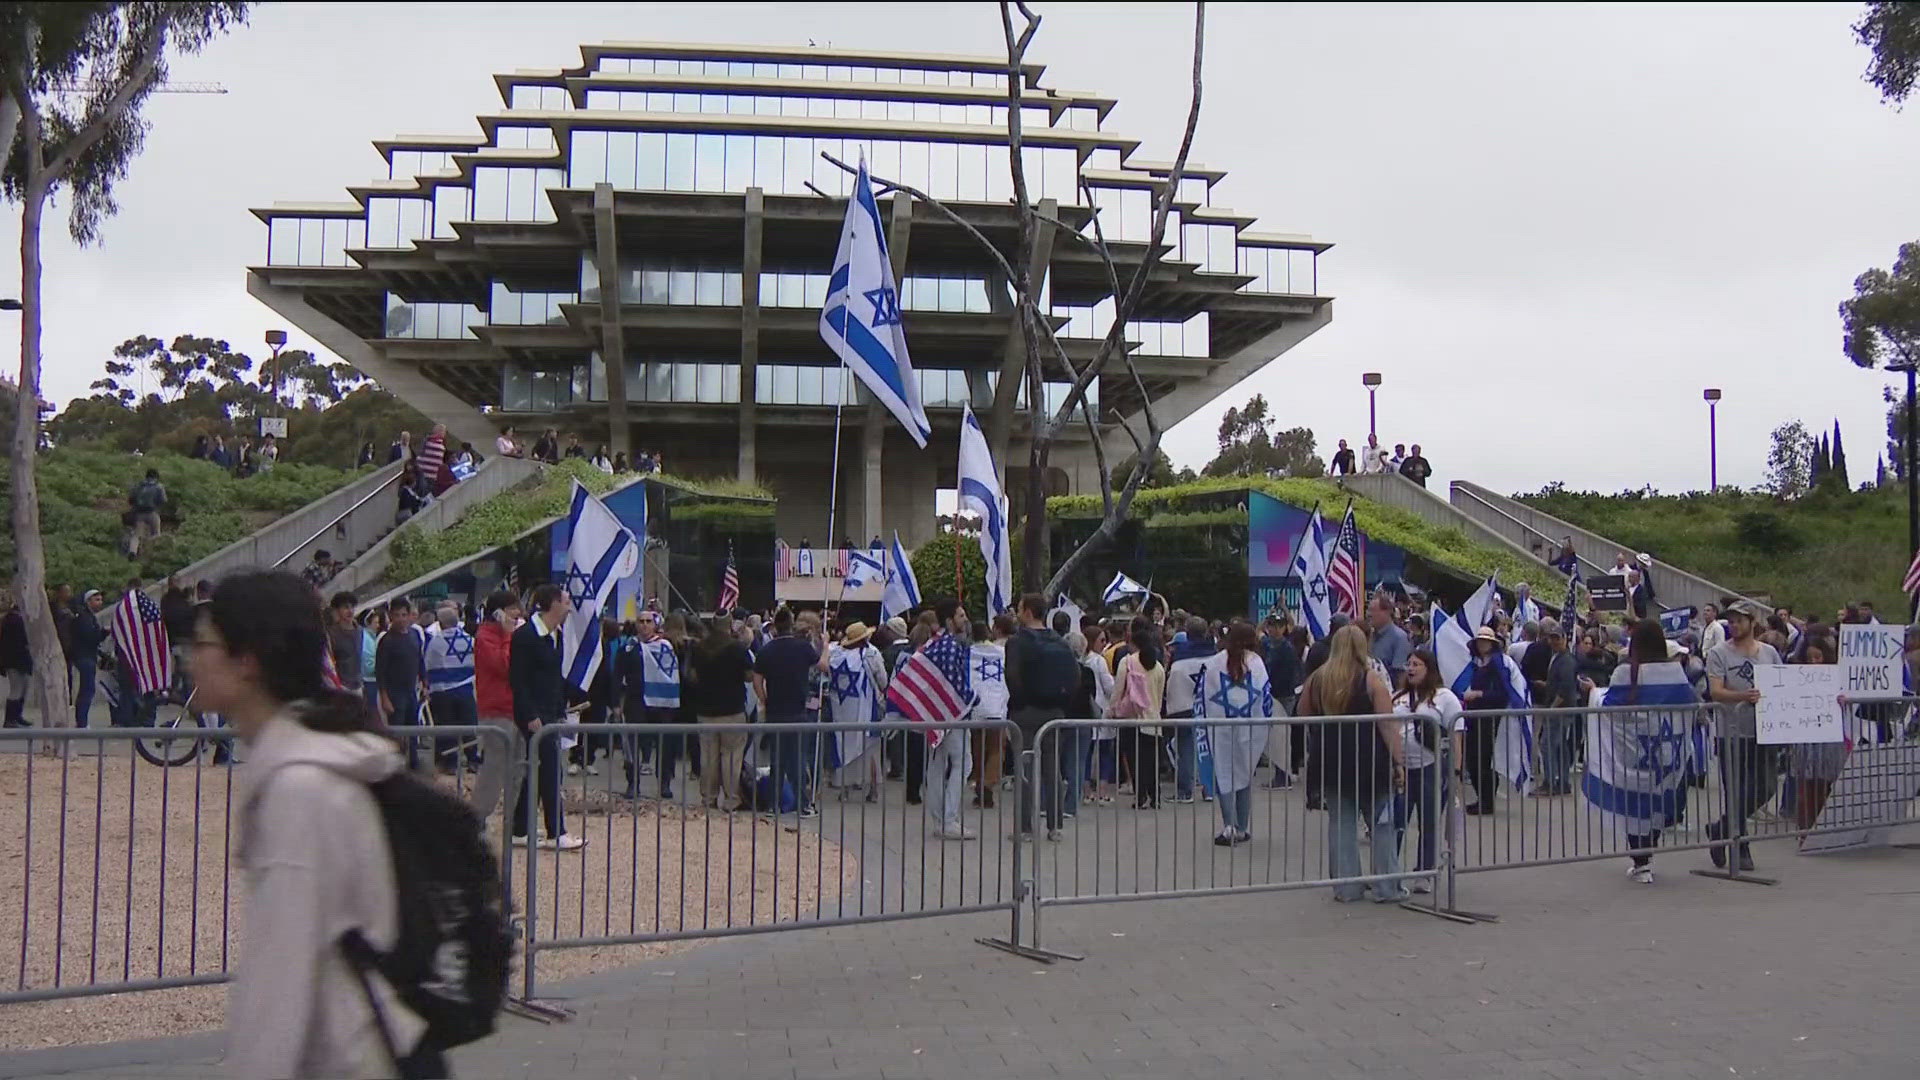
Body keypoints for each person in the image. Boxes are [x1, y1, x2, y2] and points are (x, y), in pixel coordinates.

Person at [191, 570, 441, 1079]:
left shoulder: (298, 790)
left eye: (202, 642)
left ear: (246, 660)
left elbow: (278, 985)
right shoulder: (309, 762)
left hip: (350, 1056)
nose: (190, 656)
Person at [1580, 618, 1703, 885]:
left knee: (1634, 805)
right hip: (1667, 752)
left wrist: (1593, 693)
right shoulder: (1675, 673)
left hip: (1635, 753)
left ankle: (1641, 861)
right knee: (1655, 803)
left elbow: (1610, 707)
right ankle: (1646, 858)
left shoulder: (1626, 673)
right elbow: (1690, 704)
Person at [1301, 624, 1407, 902]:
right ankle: (1387, 887)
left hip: (1331, 758)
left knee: (1341, 824)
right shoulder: (1371, 680)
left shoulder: (1318, 679)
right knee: (1382, 824)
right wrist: (1399, 762)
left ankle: (1346, 888)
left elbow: (1302, 714)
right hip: (1369, 759)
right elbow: (1387, 726)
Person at [1704, 605, 1781, 872]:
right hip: (1732, 733)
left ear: (1752, 622)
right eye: (1731, 622)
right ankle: (1741, 846)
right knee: (1736, 791)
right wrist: (1743, 697)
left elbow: (1782, 683)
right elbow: (1716, 691)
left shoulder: (1769, 653)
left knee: (1766, 785)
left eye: (1739, 621)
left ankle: (1720, 828)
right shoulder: (1718, 653)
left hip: (1763, 731)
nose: (1734, 626)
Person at [509, 585, 583, 850]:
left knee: (537, 770)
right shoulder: (526, 636)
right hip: (533, 715)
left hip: (551, 712)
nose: (569, 605)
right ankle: (557, 832)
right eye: (565, 601)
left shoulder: (556, 634)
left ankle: (519, 828)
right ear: (552, 604)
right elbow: (518, 680)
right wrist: (530, 713)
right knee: (551, 769)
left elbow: (553, 677)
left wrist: (565, 703)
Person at [1006, 593, 1079, 840]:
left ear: (1027, 612)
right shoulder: (1061, 642)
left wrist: (1018, 703)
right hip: (1055, 712)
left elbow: (1012, 677)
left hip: (1025, 712)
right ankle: (1055, 825)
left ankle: (1025, 828)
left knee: (1025, 771)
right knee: (1052, 769)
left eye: (1019, 608)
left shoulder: (1017, 642)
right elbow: (1074, 677)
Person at [1195, 622, 1273, 846]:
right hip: (1249, 729)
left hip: (1221, 729)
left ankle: (1229, 825)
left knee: (1224, 774)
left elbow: (1203, 695)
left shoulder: (1214, 663)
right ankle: (1241, 827)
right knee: (1244, 775)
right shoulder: (1256, 663)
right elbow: (1265, 695)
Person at [1391, 649, 1463, 891]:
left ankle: (1425, 872)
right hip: (1401, 769)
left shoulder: (1445, 697)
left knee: (1428, 821)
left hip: (1431, 769)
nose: (1410, 668)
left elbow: (1456, 735)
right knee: (1395, 820)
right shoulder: (1398, 696)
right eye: (1408, 664)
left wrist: (1455, 771)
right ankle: (1388, 870)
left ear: (1429, 669)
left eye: (1417, 664)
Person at [753, 607, 821, 818]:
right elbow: (823, 665)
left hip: (775, 711)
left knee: (777, 761)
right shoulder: (802, 648)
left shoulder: (767, 650)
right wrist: (825, 645)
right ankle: (803, 805)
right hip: (797, 711)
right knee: (797, 760)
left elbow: (757, 680)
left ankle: (773, 805)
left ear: (774, 625)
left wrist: (765, 700)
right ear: (791, 624)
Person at [921, 598, 978, 840]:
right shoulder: (951, 647)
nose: (965, 620)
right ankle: (949, 819)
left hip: (935, 714)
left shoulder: (932, 645)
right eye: (961, 616)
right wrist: (973, 698)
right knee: (962, 763)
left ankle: (940, 819)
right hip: (952, 714)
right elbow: (955, 684)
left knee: (937, 765)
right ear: (949, 620)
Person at [689, 613, 753, 813]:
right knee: (731, 757)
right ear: (729, 625)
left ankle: (708, 798)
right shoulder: (737, 648)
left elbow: (692, 676)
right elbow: (750, 676)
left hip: (705, 709)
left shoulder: (699, 648)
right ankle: (731, 799)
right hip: (732, 709)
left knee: (708, 757)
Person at [823, 621, 887, 802]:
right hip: (866, 708)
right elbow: (883, 680)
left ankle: (845, 789)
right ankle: (873, 790)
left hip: (841, 710)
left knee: (844, 745)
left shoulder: (835, 654)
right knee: (871, 748)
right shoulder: (871, 654)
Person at [471, 590, 520, 821]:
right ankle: (477, 817)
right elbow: (505, 666)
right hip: (496, 710)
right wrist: (508, 636)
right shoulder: (485, 637)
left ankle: (516, 822)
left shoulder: (509, 635)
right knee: (494, 767)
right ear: (498, 612)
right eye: (512, 609)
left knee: (519, 769)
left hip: (514, 708)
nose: (517, 614)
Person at [1110, 617, 1168, 809]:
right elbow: (1159, 695)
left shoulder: (1127, 662)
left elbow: (1118, 690)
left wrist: (1112, 710)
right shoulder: (1158, 667)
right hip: (1152, 718)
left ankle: (1140, 795)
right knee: (1152, 760)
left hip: (1131, 717)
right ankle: (1155, 795)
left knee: (1134, 759)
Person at [1163, 615, 1217, 806]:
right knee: (1209, 749)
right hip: (1209, 706)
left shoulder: (1179, 658)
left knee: (1185, 750)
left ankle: (1186, 791)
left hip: (1184, 706)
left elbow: (1172, 683)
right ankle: (1210, 789)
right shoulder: (1214, 655)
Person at [1460, 626, 1514, 814]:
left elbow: (1502, 693)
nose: (1483, 644)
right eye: (1480, 641)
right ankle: (1482, 798)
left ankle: (1486, 801)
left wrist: (1478, 694)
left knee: (1482, 759)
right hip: (1476, 716)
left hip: (1489, 718)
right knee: (1474, 759)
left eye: (1486, 641)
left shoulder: (1498, 664)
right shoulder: (1480, 663)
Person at [424, 604, 479, 775]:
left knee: (446, 727)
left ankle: (450, 763)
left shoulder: (436, 642)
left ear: (440, 623)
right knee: (469, 726)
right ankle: (472, 759)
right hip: (465, 689)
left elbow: (428, 665)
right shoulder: (470, 640)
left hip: (442, 692)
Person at [967, 615, 1011, 810]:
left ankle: (978, 780)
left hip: (975, 706)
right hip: (996, 705)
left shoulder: (968, 653)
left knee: (978, 748)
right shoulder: (1002, 652)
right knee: (996, 749)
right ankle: (987, 785)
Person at [1533, 620, 1581, 795]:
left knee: (1548, 745)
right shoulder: (1558, 658)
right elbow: (1559, 684)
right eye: (1551, 638)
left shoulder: (1566, 660)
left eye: (1557, 638)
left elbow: (1565, 688)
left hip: (1560, 711)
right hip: (1560, 708)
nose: (1554, 642)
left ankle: (1550, 782)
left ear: (1565, 639)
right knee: (1560, 746)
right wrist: (1545, 685)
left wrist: (1551, 709)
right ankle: (1562, 782)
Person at [374, 598, 424, 737]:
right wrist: (385, 697)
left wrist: (425, 683)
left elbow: (420, 660)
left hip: (412, 691)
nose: (401, 619)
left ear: (409, 616)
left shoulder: (414, 635)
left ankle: (413, 758)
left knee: (414, 731)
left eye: (403, 615)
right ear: (391, 616)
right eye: (397, 615)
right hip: (394, 693)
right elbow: (380, 670)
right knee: (397, 733)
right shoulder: (387, 640)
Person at [70, 589, 107, 726]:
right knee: (87, 689)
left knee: (87, 689)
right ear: (88, 602)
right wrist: (103, 632)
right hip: (84, 656)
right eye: (96, 600)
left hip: (87, 656)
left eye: (100, 600)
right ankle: (82, 722)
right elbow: (90, 637)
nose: (100, 603)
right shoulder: (84, 618)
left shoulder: (89, 617)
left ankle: (82, 721)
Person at [1367, 594, 1412, 690]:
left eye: (1373, 610)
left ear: (1386, 612)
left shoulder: (1399, 638)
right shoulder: (1369, 636)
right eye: (1368, 610)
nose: (1368, 614)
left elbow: (1401, 676)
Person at [0, 593, 29, 729]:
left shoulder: (13, 618)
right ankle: (10, 719)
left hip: (18, 659)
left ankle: (16, 717)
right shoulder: (13, 619)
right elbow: (15, 641)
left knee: (22, 688)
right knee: (16, 689)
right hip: (15, 660)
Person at [125, 468, 167, 558]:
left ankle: (133, 551)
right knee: (155, 534)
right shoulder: (159, 487)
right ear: (156, 477)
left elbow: (131, 499)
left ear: (146, 476)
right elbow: (163, 500)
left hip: (139, 514)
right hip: (152, 513)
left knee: (136, 535)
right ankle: (153, 554)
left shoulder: (139, 486)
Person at [417, 424, 452, 497]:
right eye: (444, 432)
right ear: (440, 432)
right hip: (431, 475)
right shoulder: (439, 445)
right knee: (428, 496)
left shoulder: (427, 441)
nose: (445, 434)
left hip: (422, 472)